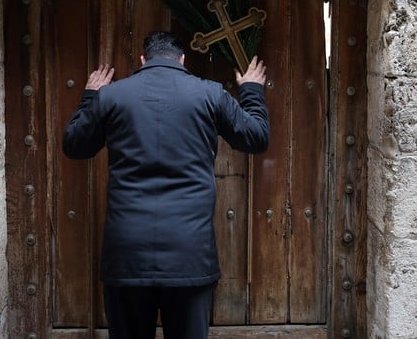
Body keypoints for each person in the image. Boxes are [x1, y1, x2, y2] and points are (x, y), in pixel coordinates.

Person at [62, 30, 270, 339]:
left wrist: (92, 94)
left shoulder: (112, 95)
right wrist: (251, 90)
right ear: (183, 60)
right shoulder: (211, 93)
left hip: (127, 257)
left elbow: (75, 145)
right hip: (189, 256)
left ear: (143, 60)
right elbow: (256, 138)